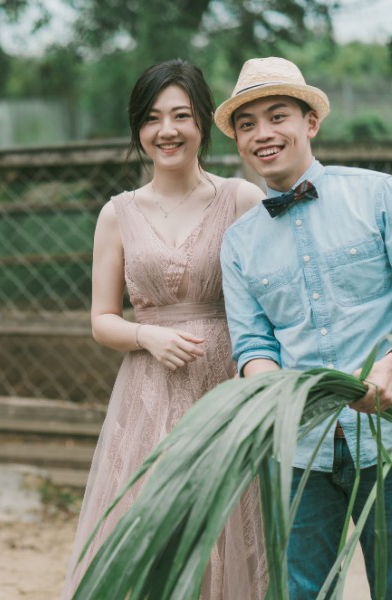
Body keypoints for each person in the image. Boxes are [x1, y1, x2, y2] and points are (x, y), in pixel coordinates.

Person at [216, 56, 392, 599]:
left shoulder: (378, 195)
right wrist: (272, 389)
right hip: (299, 450)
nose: (263, 134)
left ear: (310, 123)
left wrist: (391, 367)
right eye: (246, 125)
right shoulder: (238, 244)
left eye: (278, 116)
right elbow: (252, 343)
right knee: (303, 591)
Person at [61, 59, 268, 599]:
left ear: (203, 122)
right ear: (139, 130)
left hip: (226, 386)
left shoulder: (242, 200)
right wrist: (146, 336)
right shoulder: (118, 213)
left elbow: (271, 300)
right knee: (151, 525)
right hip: (148, 391)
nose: (167, 130)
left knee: (230, 525)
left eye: (180, 115)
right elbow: (102, 320)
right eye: (152, 119)